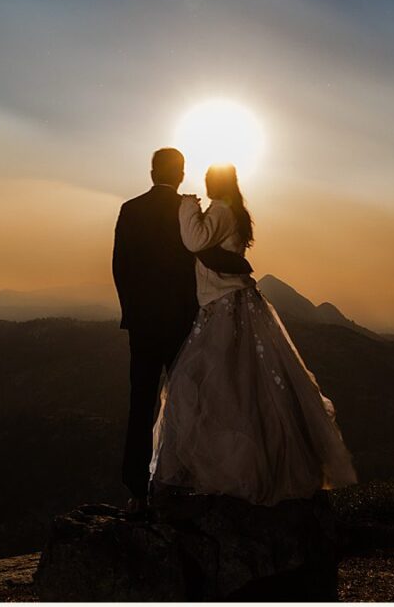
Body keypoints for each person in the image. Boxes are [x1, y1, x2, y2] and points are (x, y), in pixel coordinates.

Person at [150, 163, 358, 506]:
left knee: (216, 385)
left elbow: (194, 240)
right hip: (232, 303)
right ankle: (256, 467)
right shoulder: (235, 211)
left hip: (223, 306)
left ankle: (230, 472)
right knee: (242, 385)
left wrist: (187, 205)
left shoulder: (219, 210)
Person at [112, 147, 254, 514]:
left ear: (151, 172)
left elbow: (120, 268)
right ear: (180, 173)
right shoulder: (187, 211)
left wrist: (133, 313)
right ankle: (184, 478)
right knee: (187, 400)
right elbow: (203, 258)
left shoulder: (130, 210)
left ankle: (137, 490)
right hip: (182, 322)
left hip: (144, 326)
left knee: (141, 403)